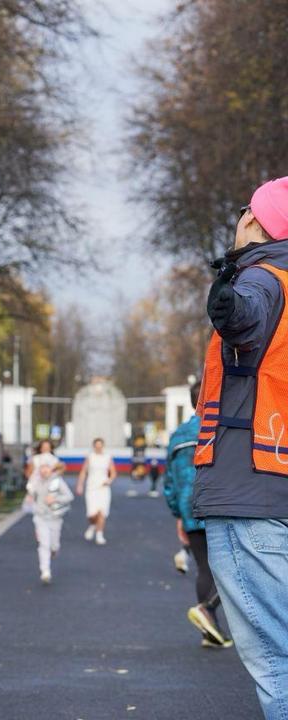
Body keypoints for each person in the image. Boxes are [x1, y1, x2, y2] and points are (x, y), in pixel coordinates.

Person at [194, 176, 288, 718]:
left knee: (277, 660)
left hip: (248, 495)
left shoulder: (265, 280)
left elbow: (237, 316)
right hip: (274, 484)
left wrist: (234, 262)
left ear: (255, 222)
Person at [163, 380, 231, 649]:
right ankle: (209, 612)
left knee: (204, 568)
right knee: (233, 568)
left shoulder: (178, 434)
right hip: (219, 505)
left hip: (189, 507)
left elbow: (170, 480)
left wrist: (177, 512)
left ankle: (208, 632)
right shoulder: (219, 427)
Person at [27, 462, 73, 584]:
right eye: (41, 470)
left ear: (50, 470)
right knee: (44, 544)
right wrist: (30, 495)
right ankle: (45, 571)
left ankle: (53, 552)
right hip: (40, 517)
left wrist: (55, 499)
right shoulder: (35, 482)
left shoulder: (57, 481)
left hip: (55, 517)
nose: (44, 472)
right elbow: (31, 493)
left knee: (54, 546)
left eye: (46, 469)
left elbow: (69, 496)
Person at [76, 437, 116, 546]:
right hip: (91, 487)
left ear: (103, 446)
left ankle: (99, 534)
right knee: (92, 514)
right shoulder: (90, 457)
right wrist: (80, 485)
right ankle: (93, 525)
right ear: (94, 446)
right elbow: (83, 472)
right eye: (96, 445)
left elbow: (113, 472)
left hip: (103, 487)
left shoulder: (108, 457)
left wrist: (109, 480)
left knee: (102, 512)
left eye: (100, 445)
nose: (98, 447)